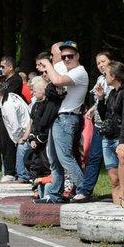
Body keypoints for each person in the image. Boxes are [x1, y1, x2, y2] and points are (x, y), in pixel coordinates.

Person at [44, 42, 90, 200]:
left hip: (68, 118)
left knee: (65, 157)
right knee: (54, 159)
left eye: (70, 56)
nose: (67, 59)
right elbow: (54, 75)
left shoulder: (79, 72)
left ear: (77, 56)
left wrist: (47, 63)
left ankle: (84, 189)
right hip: (59, 117)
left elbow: (56, 80)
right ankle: (54, 193)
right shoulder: (67, 68)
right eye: (64, 57)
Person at [97, 61, 124, 208]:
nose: (104, 77)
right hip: (107, 138)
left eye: (106, 74)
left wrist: (122, 141)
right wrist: (101, 99)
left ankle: (123, 196)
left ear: (113, 76)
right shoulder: (113, 93)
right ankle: (117, 207)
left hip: (123, 136)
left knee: (122, 154)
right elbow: (104, 116)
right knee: (114, 180)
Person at [0, 81, 31, 184]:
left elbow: (14, 124)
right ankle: (21, 174)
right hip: (24, 130)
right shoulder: (9, 98)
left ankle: (23, 175)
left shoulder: (8, 104)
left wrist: (18, 138)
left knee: (21, 150)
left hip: (24, 132)